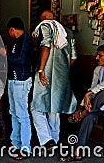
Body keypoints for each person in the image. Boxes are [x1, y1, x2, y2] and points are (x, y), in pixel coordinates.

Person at [60, 45, 104, 162]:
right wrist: (81, 106)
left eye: (100, 55)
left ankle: (85, 112)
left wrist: (90, 94)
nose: (97, 58)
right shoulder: (98, 69)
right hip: (101, 106)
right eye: (97, 55)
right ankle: (78, 151)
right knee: (89, 116)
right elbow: (92, 88)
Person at [31, 10, 78, 149]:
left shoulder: (45, 27)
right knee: (54, 107)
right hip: (61, 76)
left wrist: (41, 69)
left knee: (35, 107)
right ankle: (55, 139)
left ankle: (46, 140)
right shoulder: (67, 32)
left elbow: (46, 46)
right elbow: (74, 57)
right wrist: (62, 70)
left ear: (43, 19)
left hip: (44, 73)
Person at [5, 17, 34, 159]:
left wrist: (6, 54)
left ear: (12, 29)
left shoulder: (25, 40)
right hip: (14, 81)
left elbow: (21, 61)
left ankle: (26, 148)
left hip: (21, 81)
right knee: (14, 113)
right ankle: (15, 143)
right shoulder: (18, 41)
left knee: (22, 115)